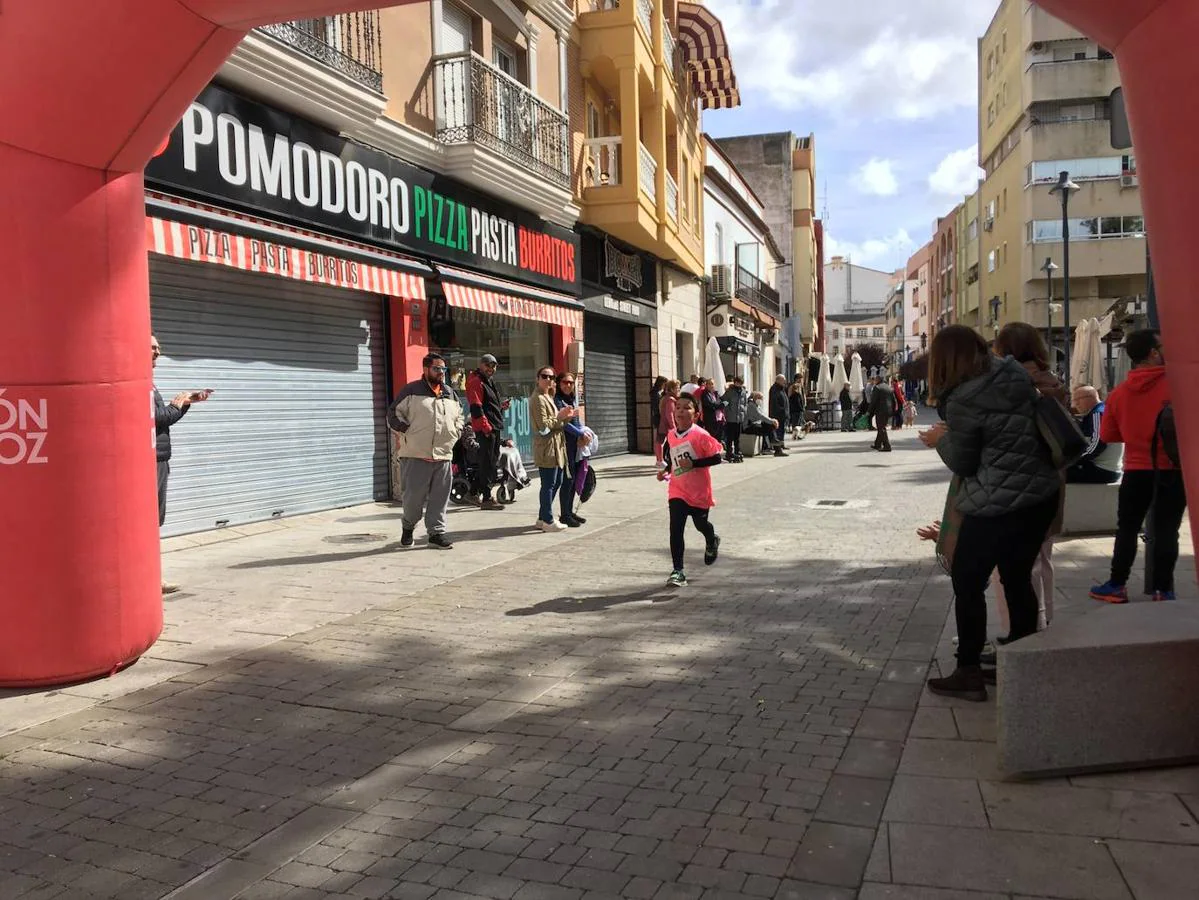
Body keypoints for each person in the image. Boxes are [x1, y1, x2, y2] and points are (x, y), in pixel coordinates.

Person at [920, 326, 1061, 701]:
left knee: (967, 580)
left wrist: (939, 440)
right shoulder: (1013, 373)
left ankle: (968, 671)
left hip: (998, 501)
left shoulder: (964, 397)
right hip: (1040, 495)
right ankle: (1021, 658)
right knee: (1016, 577)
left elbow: (964, 462)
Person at [1090, 329, 1187, 603]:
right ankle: (1163, 589)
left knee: (1128, 528)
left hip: (1135, 468)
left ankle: (1117, 585)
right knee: (1168, 529)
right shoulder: (1178, 387)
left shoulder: (1119, 393)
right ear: (1153, 353)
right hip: (1172, 469)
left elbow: (1109, 436)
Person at [994, 321, 1068, 631]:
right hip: (1053, 478)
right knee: (1044, 557)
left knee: (1015, 567)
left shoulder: (1011, 386)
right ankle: (1045, 621)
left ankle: (1023, 632)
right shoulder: (1054, 382)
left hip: (1019, 481)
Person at [152, 335, 213, 593]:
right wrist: (178, 406)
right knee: (149, 521)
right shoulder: (139, 383)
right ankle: (152, 579)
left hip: (160, 458)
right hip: (151, 460)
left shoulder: (149, 383)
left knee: (154, 521)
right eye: (152, 347)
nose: (157, 351)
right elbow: (155, 418)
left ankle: (153, 577)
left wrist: (184, 403)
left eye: (158, 347)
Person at [388, 352, 464, 550]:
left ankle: (436, 534)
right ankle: (408, 527)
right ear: (426, 369)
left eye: (443, 369)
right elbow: (393, 414)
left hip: (443, 455)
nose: (441, 372)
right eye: (437, 368)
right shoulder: (411, 391)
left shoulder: (449, 392)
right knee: (413, 500)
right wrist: (406, 431)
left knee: (439, 500)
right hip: (415, 455)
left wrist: (455, 433)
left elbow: (460, 417)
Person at [658, 394, 722, 587]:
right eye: (678, 407)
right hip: (677, 489)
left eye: (687, 408)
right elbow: (673, 459)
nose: (681, 411)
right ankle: (678, 571)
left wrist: (694, 463)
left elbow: (717, 458)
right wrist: (666, 471)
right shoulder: (671, 435)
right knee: (675, 529)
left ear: (695, 414)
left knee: (701, 525)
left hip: (698, 490)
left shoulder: (700, 435)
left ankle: (712, 540)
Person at [531, 365, 576, 533]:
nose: (548, 380)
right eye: (545, 376)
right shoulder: (537, 399)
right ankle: (548, 520)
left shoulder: (548, 396)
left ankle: (543, 517)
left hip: (556, 446)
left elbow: (555, 423)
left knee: (557, 481)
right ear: (538, 379)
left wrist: (566, 417)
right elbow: (544, 427)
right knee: (548, 484)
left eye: (551, 377)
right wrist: (561, 417)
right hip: (547, 448)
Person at [465, 353, 509, 510]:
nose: (491, 368)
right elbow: (476, 407)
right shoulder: (476, 382)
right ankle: (487, 498)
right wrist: (486, 428)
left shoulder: (487, 381)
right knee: (488, 463)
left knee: (489, 462)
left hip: (492, 426)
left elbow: (487, 405)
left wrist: (501, 406)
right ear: (481, 365)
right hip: (487, 429)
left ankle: (473, 492)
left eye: (494, 365)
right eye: (488, 365)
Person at [554, 372, 591, 528]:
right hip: (565, 445)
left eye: (570, 382)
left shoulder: (571, 399)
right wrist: (580, 433)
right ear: (558, 383)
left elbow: (576, 421)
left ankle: (569, 511)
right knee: (567, 481)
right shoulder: (557, 401)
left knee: (575, 478)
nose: (568, 385)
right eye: (565, 382)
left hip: (576, 445)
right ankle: (565, 515)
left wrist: (584, 432)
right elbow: (562, 423)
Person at [1067, 385, 1122, 485]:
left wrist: (1073, 460)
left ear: (1091, 397)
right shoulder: (1100, 411)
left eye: (1078, 399)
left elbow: (1097, 444)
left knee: (1055, 474)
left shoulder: (1098, 414)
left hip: (1102, 470)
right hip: (1106, 468)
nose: (1075, 404)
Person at [744, 391, 787, 456]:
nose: (761, 400)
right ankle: (775, 446)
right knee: (769, 426)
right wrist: (772, 421)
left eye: (761, 398)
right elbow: (760, 416)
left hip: (754, 425)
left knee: (768, 425)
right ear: (754, 398)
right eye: (759, 398)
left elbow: (763, 415)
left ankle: (774, 445)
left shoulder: (756, 405)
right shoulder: (751, 405)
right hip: (748, 427)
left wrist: (772, 420)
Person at [720, 376, 749, 463]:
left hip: (740, 417)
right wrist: (727, 411)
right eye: (737, 382)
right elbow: (724, 401)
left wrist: (744, 411)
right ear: (735, 382)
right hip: (731, 417)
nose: (739, 384)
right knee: (730, 437)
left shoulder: (743, 391)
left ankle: (737, 451)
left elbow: (745, 402)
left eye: (740, 383)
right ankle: (729, 453)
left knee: (737, 437)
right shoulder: (730, 391)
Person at [657, 380, 680, 467]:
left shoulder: (666, 397)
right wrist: (674, 427)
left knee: (667, 443)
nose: (679, 390)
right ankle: (667, 460)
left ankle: (665, 459)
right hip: (668, 426)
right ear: (672, 389)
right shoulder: (670, 399)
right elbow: (669, 414)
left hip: (664, 424)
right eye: (677, 388)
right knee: (671, 443)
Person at [869, 376, 894, 452]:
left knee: (881, 428)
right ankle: (877, 444)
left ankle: (887, 446)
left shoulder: (877, 388)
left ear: (878, 380)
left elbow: (873, 401)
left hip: (880, 410)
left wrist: (869, 411)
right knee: (881, 426)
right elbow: (893, 400)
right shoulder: (888, 387)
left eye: (875, 380)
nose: (875, 381)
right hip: (888, 410)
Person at [700, 378, 726, 445]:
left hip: (719, 418)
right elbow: (711, 404)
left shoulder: (716, 393)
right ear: (706, 385)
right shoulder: (705, 394)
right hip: (711, 419)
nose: (711, 385)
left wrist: (721, 404)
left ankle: (717, 452)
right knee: (712, 436)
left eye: (712, 384)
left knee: (719, 437)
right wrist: (720, 405)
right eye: (709, 384)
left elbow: (723, 401)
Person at [769, 375, 790, 448]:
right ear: (778, 380)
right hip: (778, 414)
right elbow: (775, 402)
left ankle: (781, 444)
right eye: (783, 380)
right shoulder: (774, 389)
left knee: (782, 430)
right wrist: (782, 410)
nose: (785, 381)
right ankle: (777, 447)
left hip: (783, 414)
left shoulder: (782, 388)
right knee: (778, 431)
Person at [650, 375, 666, 442]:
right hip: (658, 416)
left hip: (658, 416)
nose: (664, 386)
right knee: (659, 438)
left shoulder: (658, 392)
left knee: (660, 438)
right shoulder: (655, 393)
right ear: (661, 383)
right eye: (664, 384)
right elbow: (657, 406)